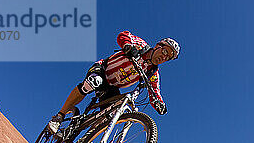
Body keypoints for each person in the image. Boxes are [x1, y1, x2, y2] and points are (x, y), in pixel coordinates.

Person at [47, 31, 180, 135]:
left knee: (111, 114)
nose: (163, 57)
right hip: (103, 70)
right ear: (157, 46)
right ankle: (59, 116)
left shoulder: (152, 73)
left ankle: (87, 138)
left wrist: (160, 104)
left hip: (112, 87)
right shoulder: (141, 46)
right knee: (92, 82)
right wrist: (128, 46)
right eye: (164, 51)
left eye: (168, 57)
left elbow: (155, 91)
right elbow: (124, 35)